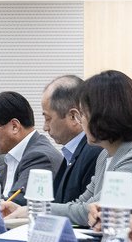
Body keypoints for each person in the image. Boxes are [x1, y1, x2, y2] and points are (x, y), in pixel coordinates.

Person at [41, 70, 132, 225]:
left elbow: (94, 211)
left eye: (82, 115)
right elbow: (83, 204)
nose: (81, 122)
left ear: (104, 116)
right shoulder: (105, 156)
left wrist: (38, 209)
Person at [0, 91, 62, 209]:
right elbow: (4, 197)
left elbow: (19, 202)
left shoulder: (40, 156)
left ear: (14, 126)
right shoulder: (11, 156)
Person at [40, 75, 103, 203]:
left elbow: (84, 211)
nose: (45, 127)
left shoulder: (95, 152)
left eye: (48, 119)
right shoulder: (72, 152)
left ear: (74, 117)